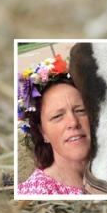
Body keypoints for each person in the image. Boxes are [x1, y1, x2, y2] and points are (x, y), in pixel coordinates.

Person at [17, 54, 91, 195]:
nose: (73, 122)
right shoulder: (34, 194)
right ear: (42, 132)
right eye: (57, 116)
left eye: (81, 110)